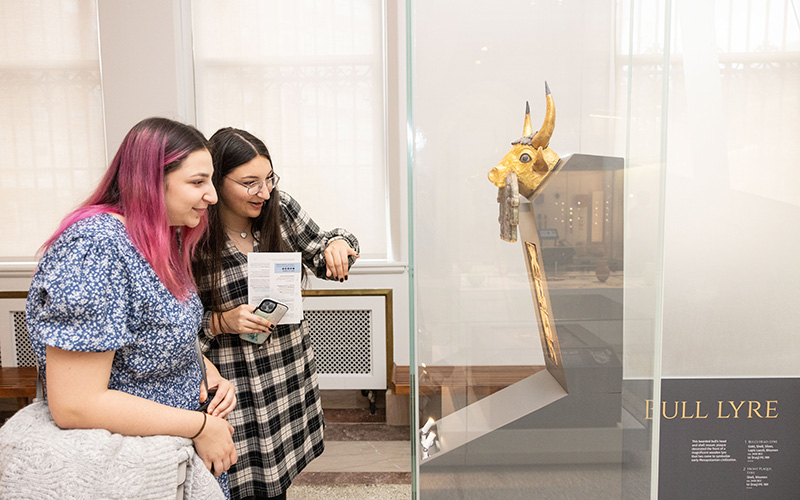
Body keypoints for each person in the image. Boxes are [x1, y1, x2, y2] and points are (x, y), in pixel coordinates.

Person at [25, 117, 238, 497]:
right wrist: (201, 427)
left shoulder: (155, 237)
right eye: (197, 182)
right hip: (131, 469)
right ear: (151, 181)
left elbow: (151, 334)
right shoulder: (96, 247)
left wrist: (205, 371)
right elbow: (75, 404)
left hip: (171, 446)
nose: (213, 196)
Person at [192, 128, 360, 500]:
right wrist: (222, 321)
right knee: (233, 480)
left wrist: (338, 245)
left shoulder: (279, 210)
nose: (264, 193)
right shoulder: (193, 235)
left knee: (278, 482)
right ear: (216, 182)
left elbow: (323, 246)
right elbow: (178, 327)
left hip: (285, 375)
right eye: (250, 183)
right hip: (234, 383)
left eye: (269, 179)